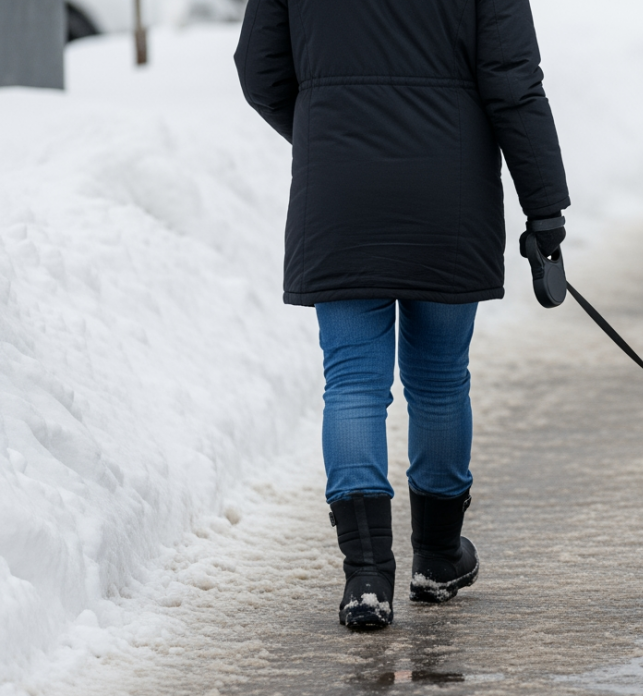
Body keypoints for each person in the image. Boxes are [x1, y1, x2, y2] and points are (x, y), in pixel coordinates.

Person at [234, 0, 569, 629]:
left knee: (354, 383)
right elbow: (513, 82)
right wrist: (544, 206)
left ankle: (366, 576)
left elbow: (259, 70)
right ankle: (438, 557)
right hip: (450, 192)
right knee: (440, 379)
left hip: (338, 194)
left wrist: (325, 126)